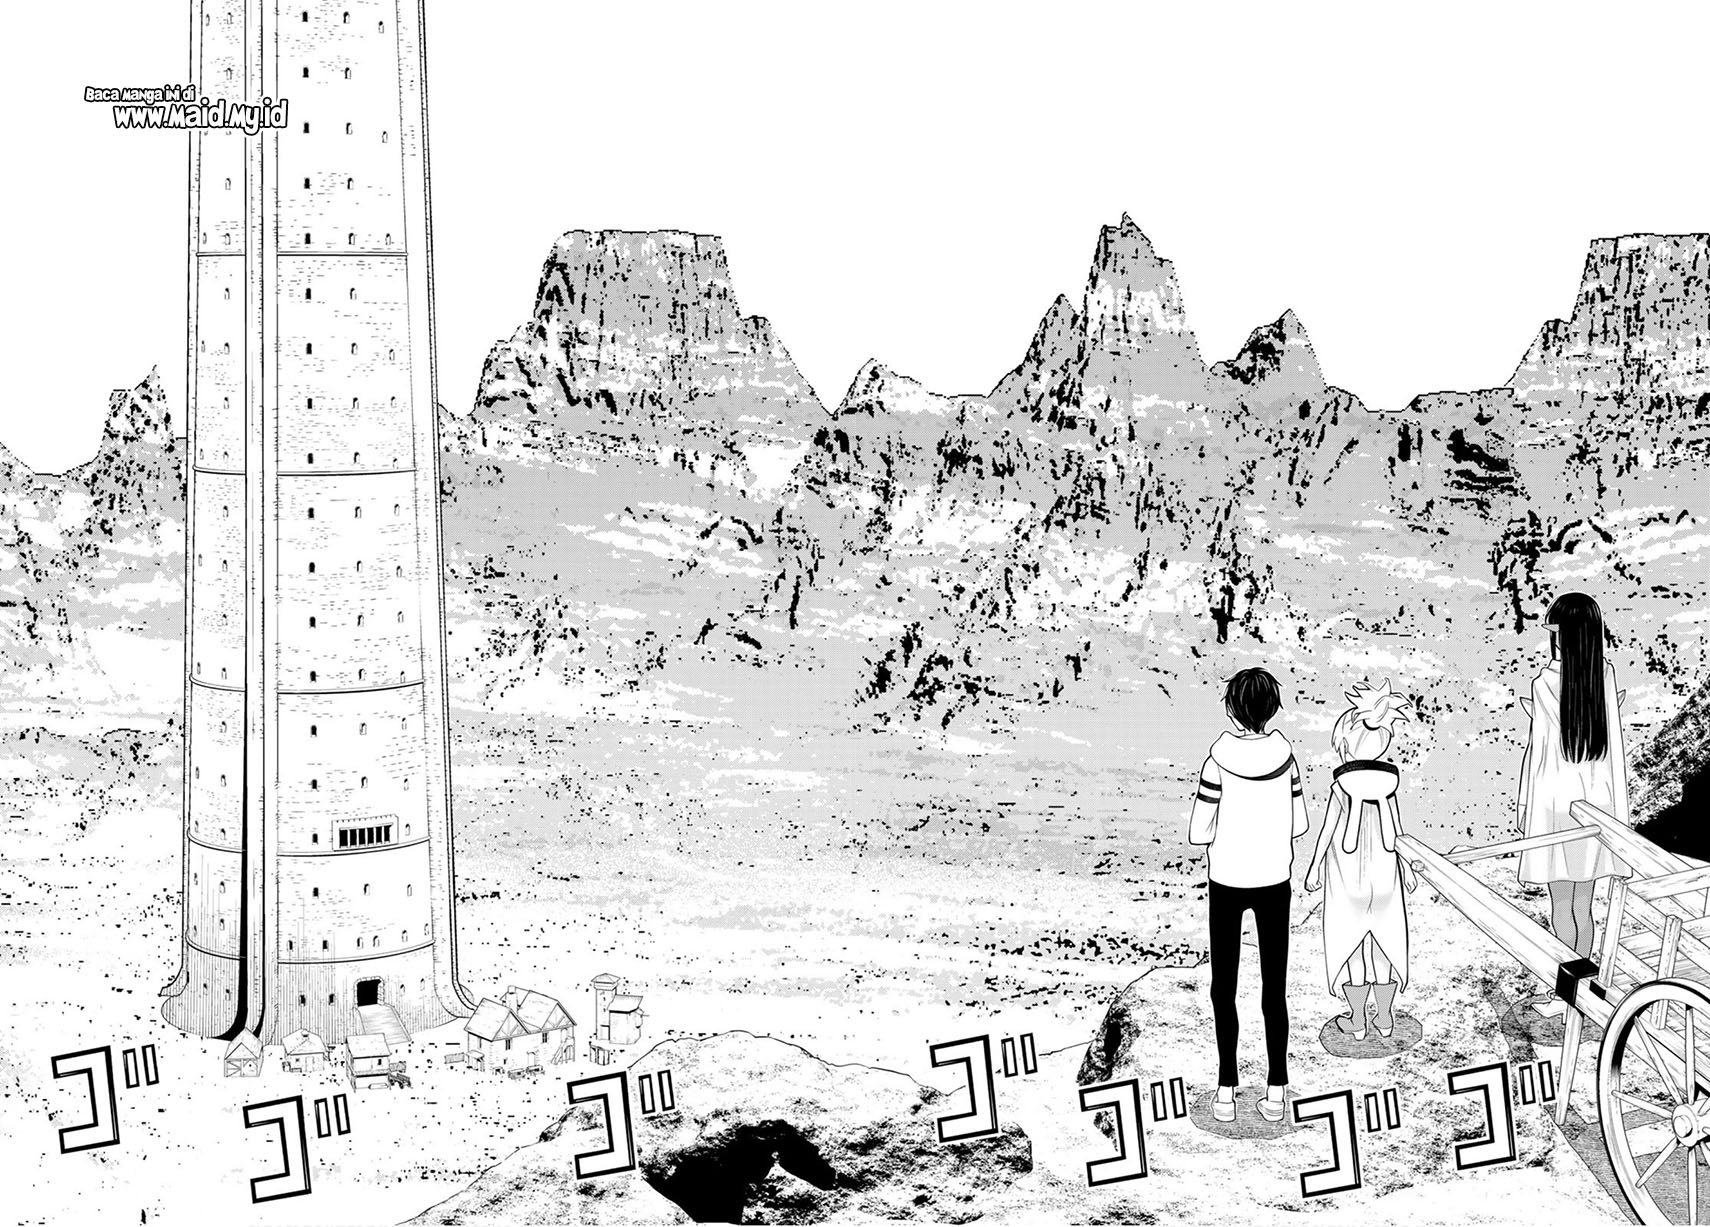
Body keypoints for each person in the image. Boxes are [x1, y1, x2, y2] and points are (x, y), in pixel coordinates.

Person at [1188, 667, 1310, 1124]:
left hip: (1227, 880)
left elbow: (1199, 832)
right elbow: (1300, 824)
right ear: (1271, 709)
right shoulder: (1286, 761)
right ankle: (1277, 1089)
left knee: (1225, 988)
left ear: (1233, 709)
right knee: (1273, 989)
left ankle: (1226, 1089)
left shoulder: (1216, 762)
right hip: (1275, 878)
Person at [1303, 680, 1417, 1041]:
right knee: (1383, 942)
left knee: (1351, 943)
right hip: (1385, 878)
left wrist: (1313, 867)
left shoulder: (1341, 787)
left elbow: (1327, 830)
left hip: (1346, 876)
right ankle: (1384, 1016)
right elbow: (1399, 834)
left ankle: (1357, 1019)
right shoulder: (1389, 786)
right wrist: (1408, 869)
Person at [1517, 591, 1627, 959]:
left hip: (1555, 807)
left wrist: (1523, 807)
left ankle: (1567, 987)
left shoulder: (1543, 684)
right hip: (1597, 807)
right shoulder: (1604, 677)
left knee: (1562, 906)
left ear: (1563, 636)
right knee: (1584, 906)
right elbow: (1615, 756)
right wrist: (1620, 819)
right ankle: (1583, 981)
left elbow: (1538, 754)